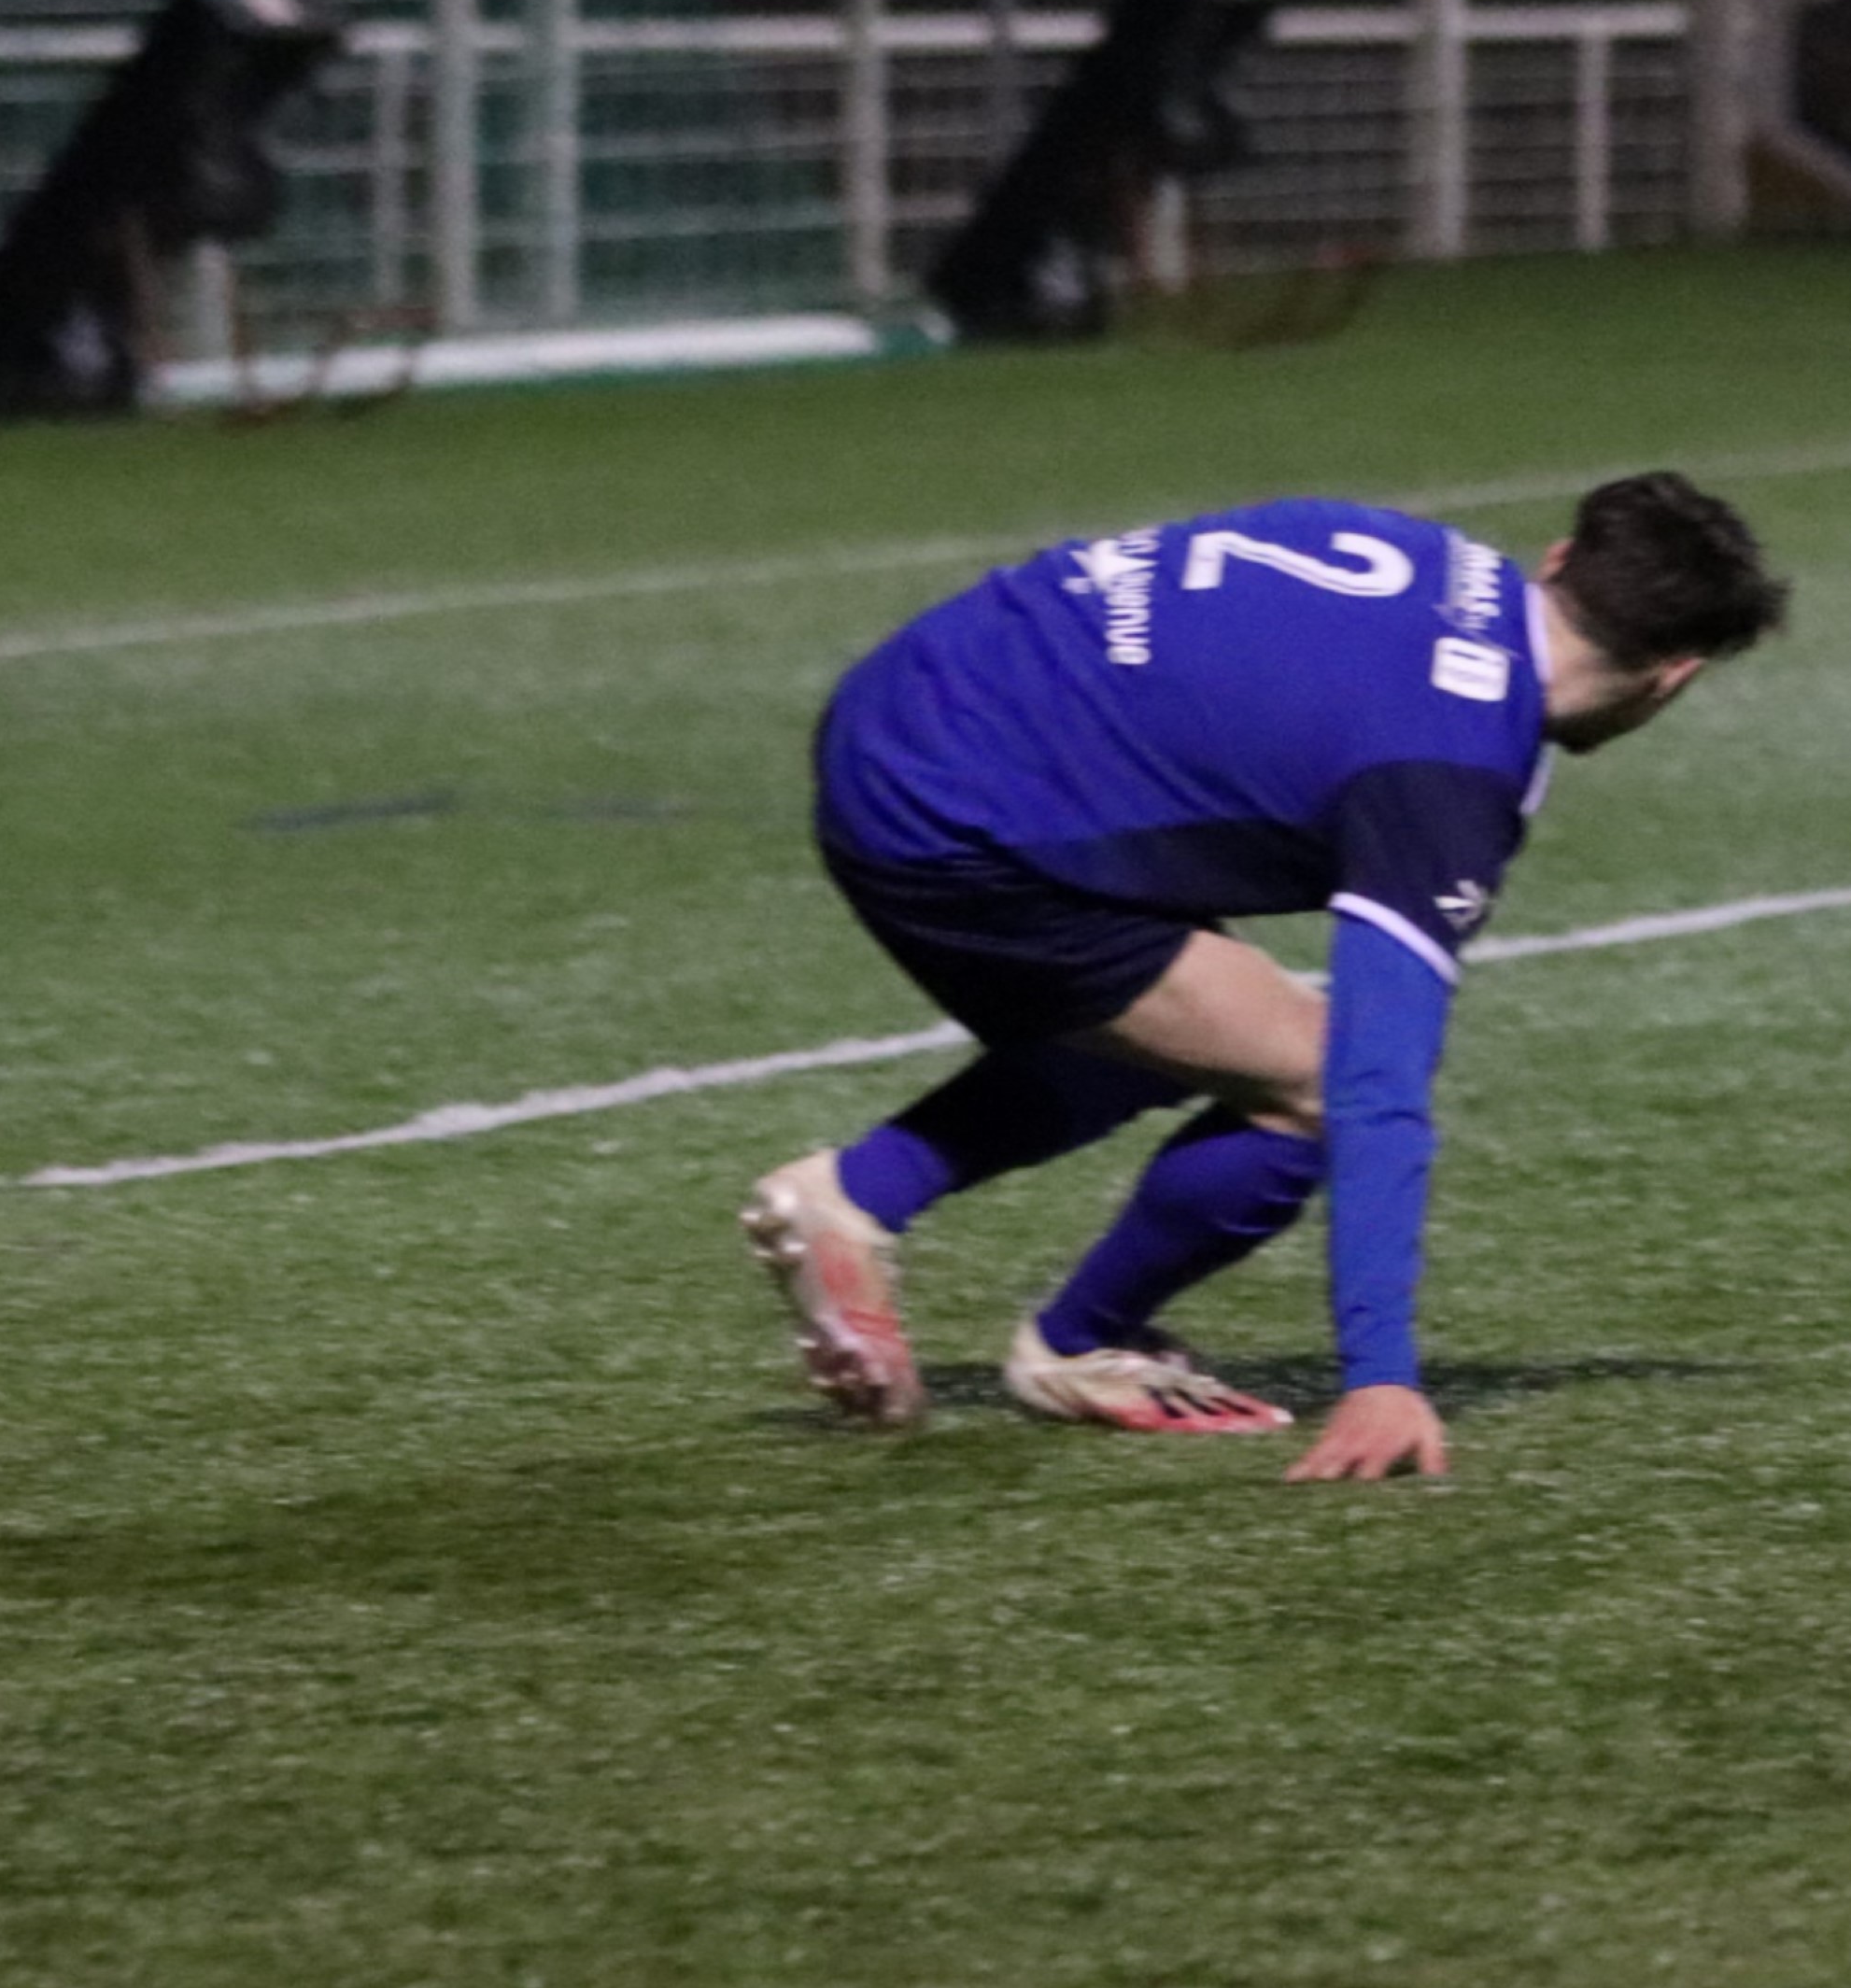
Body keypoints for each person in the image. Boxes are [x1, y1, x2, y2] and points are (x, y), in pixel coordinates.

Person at [742, 472, 1784, 1480]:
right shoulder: (1449, 770)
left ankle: (855, 1196)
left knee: (1188, 1021)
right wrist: (1381, 1374)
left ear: (1557, 559)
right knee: (1309, 1080)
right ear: (1675, 674)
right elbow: (1375, 1081)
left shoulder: (1418, 547)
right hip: (947, 818)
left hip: (909, 692)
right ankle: (1078, 1342)